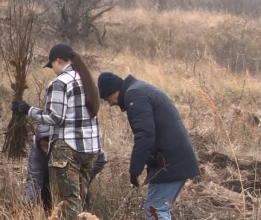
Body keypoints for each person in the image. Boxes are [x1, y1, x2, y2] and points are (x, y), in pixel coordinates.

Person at [12, 43, 102, 219]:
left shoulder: (60, 82)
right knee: (79, 200)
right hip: (90, 149)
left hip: (67, 150)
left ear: (58, 60)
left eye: (52, 65)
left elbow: (55, 118)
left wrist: (28, 110)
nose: (52, 69)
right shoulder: (87, 81)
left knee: (66, 203)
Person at [97, 72, 200, 220]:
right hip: (175, 158)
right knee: (157, 208)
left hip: (170, 162)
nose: (110, 104)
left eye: (107, 99)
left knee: (155, 209)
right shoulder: (139, 89)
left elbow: (145, 135)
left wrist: (134, 170)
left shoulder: (134, 95)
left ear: (115, 91)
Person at [24, 124, 107, 215]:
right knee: (50, 204)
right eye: (42, 146)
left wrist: (81, 177)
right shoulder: (37, 147)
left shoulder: (74, 141)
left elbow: (101, 160)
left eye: (47, 146)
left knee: (79, 200)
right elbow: (34, 177)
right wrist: (28, 203)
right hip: (49, 179)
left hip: (74, 173)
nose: (45, 150)